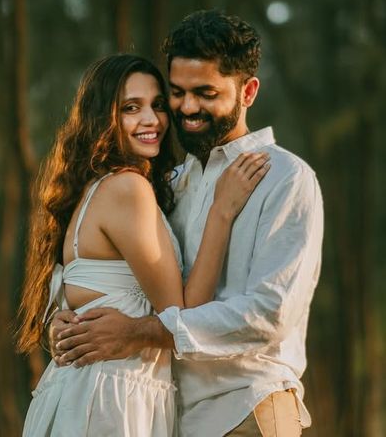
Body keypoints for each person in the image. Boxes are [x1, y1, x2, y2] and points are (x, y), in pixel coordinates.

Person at [52, 10, 324, 437]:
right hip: (169, 415)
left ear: (248, 91)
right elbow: (121, 275)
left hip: (245, 408)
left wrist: (141, 333)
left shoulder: (285, 178)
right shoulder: (172, 184)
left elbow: (269, 314)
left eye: (206, 93)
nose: (188, 108)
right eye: (176, 93)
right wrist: (66, 318)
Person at [17, 53, 269, 436]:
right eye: (131, 108)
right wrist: (221, 211)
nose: (152, 120)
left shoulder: (95, 189)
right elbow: (183, 314)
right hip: (111, 400)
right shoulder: (126, 188)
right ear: (103, 117)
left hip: (80, 393)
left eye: (157, 105)